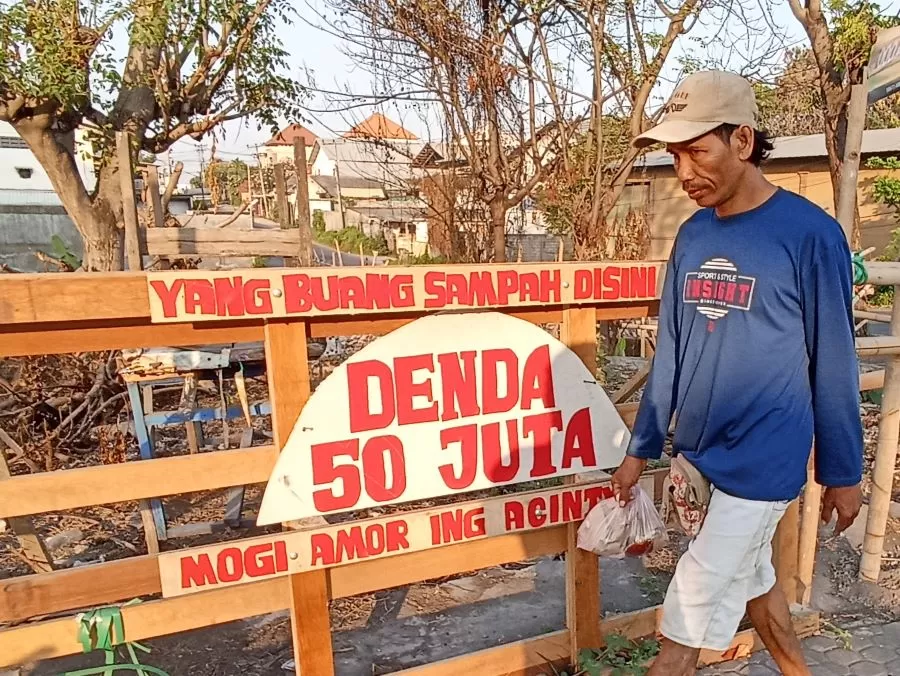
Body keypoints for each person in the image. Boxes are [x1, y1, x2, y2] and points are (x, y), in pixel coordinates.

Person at [611, 70, 864, 676]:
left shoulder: (809, 236)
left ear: (743, 142)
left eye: (697, 151)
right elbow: (669, 349)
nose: (685, 171)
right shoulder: (693, 236)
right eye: (676, 155)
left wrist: (843, 470)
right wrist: (640, 450)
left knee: (688, 610)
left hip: (765, 458)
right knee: (754, 581)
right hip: (699, 453)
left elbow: (834, 359)